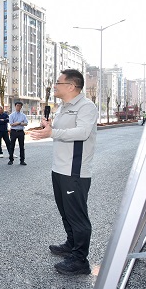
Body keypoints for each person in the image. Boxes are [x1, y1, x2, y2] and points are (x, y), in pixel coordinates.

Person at [32, 69, 97, 275]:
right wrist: (49, 127)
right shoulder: (62, 107)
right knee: (65, 212)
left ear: (71, 86)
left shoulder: (86, 107)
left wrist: (53, 132)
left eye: (58, 83)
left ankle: (80, 260)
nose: (54, 86)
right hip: (59, 168)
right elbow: (61, 132)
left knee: (77, 216)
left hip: (74, 171)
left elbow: (83, 132)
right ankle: (71, 244)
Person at [8, 101, 28, 165]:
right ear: (15, 106)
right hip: (13, 131)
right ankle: (11, 159)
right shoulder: (11, 115)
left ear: (21, 107)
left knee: (22, 146)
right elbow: (11, 124)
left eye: (20, 106)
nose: (19, 107)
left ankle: (22, 160)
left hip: (21, 131)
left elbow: (26, 123)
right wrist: (20, 123)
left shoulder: (23, 115)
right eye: (17, 106)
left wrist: (18, 123)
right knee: (12, 146)